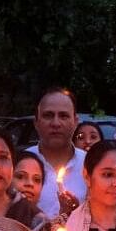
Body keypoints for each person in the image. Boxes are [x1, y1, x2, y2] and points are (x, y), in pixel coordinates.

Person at [23, 87, 87, 217]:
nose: (56, 123)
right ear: (36, 122)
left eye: (63, 116)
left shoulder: (90, 164)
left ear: (75, 122)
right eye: (48, 115)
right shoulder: (20, 163)